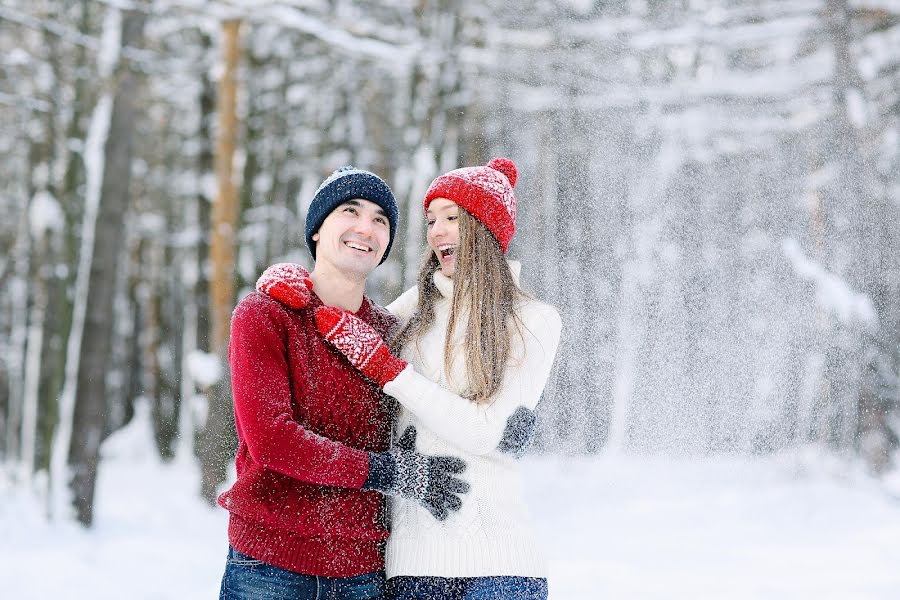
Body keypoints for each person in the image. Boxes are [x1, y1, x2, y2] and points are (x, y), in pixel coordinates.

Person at [261, 158, 561, 599]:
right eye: (431, 220)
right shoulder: (414, 309)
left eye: (453, 218)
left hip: (501, 566)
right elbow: (345, 319)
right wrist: (292, 286)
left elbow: (483, 431)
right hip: (411, 568)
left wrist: (391, 373)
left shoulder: (534, 320)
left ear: (487, 228)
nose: (437, 231)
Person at [217, 167, 471, 600]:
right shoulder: (266, 316)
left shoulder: (393, 334)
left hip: (362, 572)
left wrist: (507, 416)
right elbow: (273, 440)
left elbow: (443, 403)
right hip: (269, 566)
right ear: (317, 230)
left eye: (380, 220)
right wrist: (387, 472)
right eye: (349, 211)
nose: (364, 227)